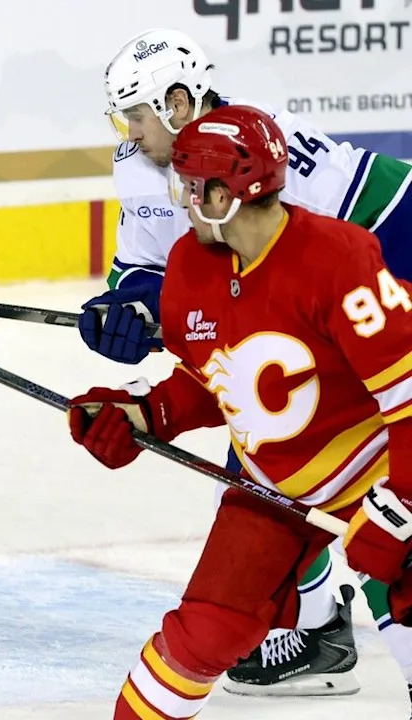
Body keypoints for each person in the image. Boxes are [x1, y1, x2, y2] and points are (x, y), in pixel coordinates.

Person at [79, 27, 412, 697]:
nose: (130, 132)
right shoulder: (141, 164)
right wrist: (127, 315)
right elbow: (149, 276)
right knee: (270, 482)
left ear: (178, 103)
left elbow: (397, 214)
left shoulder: (270, 150)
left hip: (358, 349)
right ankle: (313, 633)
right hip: (282, 357)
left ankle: (324, 631)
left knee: (375, 519)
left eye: (138, 114)